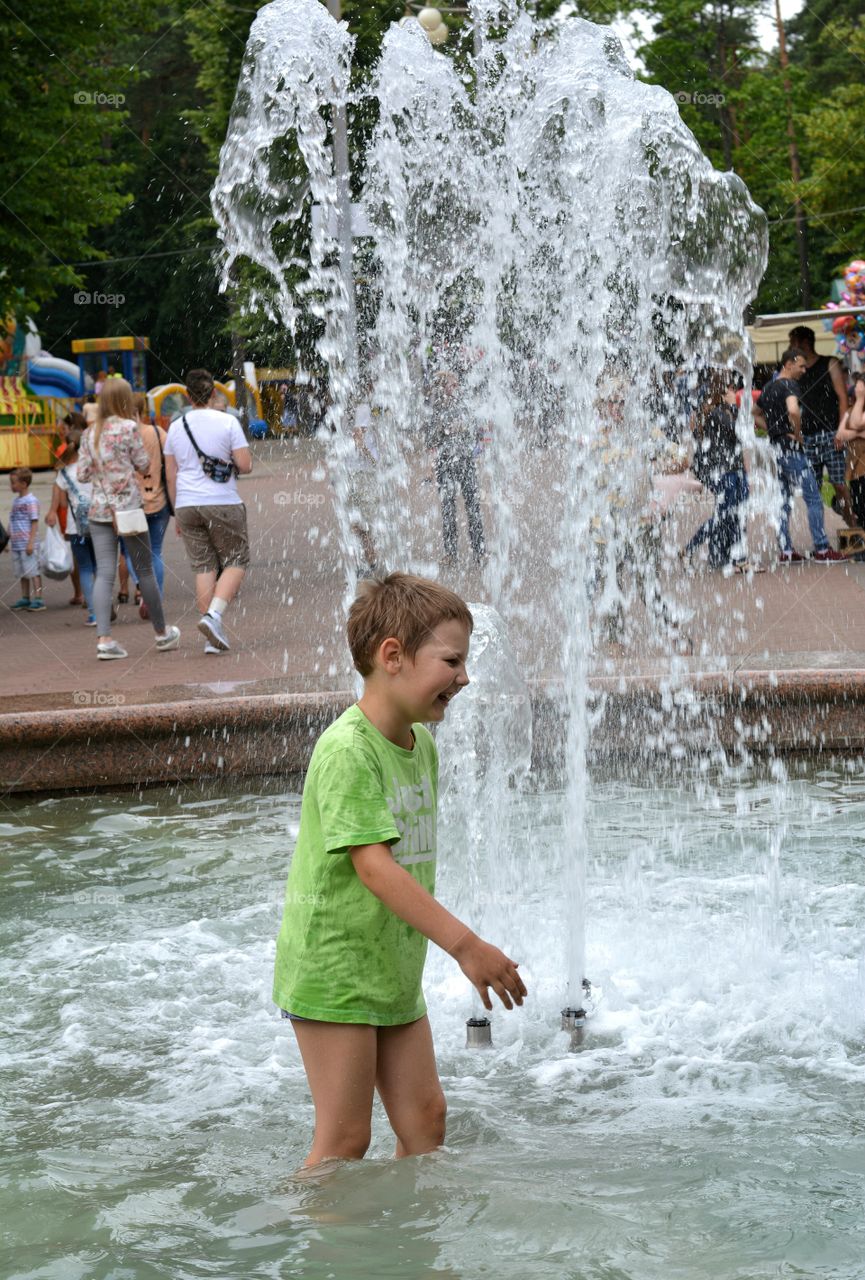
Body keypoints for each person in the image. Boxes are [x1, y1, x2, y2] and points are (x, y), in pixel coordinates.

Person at [272, 573, 526, 1169]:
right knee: (344, 1142)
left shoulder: (418, 743)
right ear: (393, 655)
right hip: (334, 970)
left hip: (389, 967)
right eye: (452, 660)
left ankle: (404, 1246)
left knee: (425, 1122)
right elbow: (375, 869)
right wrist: (465, 946)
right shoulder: (348, 751)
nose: (464, 677)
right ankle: (316, 1251)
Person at [77, 377, 181, 659]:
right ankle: (161, 633)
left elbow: (82, 474)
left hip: (99, 510)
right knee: (144, 568)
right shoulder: (128, 428)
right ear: (124, 400)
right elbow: (144, 464)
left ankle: (104, 640)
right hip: (129, 509)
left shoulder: (89, 434)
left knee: (106, 572)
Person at [164, 367, 252, 654]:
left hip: (187, 504)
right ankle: (214, 616)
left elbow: (170, 473)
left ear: (187, 396)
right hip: (222, 501)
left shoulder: (176, 427)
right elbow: (246, 464)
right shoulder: (227, 422)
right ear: (213, 392)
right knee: (236, 559)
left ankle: (210, 637)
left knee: (203, 566)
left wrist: (176, 511)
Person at [755, 349, 845, 564]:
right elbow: (794, 411)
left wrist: (773, 430)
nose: (804, 370)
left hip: (776, 450)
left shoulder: (768, 387)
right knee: (813, 498)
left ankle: (785, 551)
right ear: (789, 363)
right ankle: (822, 549)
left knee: (783, 500)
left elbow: (754, 414)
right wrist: (796, 434)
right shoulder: (790, 385)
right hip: (792, 450)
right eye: (802, 366)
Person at [685, 376, 760, 572]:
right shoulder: (718, 413)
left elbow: (740, 442)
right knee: (725, 516)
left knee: (734, 515)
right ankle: (692, 550)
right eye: (731, 390)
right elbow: (739, 432)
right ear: (722, 392)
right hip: (722, 472)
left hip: (734, 470)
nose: (735, 393)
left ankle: (734, 558)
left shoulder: (731, 411)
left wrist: (745, 470)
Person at [788, 325, 855, 527]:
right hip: (808, 437)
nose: (791, 348)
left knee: (839, 484)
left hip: (831, 433)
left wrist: (841, 431)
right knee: (812, 489)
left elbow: (843, 397)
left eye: (793, 343)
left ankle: (854, 526)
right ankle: (820, 539)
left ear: (804, 343)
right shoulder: (797, 370)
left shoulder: (829, 363)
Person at [425, 359, 486, 567]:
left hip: (466, 462)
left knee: (473, 508)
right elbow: (430, 440)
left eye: (457, 383)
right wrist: (444, 429)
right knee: (448, 510)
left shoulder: (465, 405)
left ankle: (480, 552)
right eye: (453, 384)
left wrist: (468, 430)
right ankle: (450, 554)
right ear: (444, 387)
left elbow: (478, 431)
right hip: (445, 465)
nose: (456, 387)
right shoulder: (436, 411)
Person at [46, 425, 98, 625]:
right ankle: (105, 607)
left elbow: (59, 504)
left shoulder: (63, 474)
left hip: (75, 527)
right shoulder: (93, 467)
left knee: (84, 568)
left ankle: (93, 613)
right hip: (98, 523)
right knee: (100, 568)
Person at [132, 391, 171, 618]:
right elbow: (172, 461)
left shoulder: (123, 436)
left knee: (134, 552)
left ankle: (142, 588)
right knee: (155, 551)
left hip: (132, 504)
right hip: (159, 500)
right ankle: (156, 599)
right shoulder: (158, 433)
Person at [7, 467, 44, 611]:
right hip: (17, 544)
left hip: (28, 544)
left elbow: (34, 521)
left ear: (24, 484)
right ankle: (25, 598)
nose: (11, 486)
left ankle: (39, 598)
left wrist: (31, 542)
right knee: (23, 572)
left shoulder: (31, 501)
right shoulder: (16, 501)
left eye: (13, 483)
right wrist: (7, 540)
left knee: (33, 571)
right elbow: (12, 520)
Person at [835, 374, 865, 531]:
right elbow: (840, 437)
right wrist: (859, 434)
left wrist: (860, 399)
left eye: (860, 387)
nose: (857, 389)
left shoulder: (856, 411)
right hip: (855, 472)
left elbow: (856, 423)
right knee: (859, 510)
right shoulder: (851, 411)